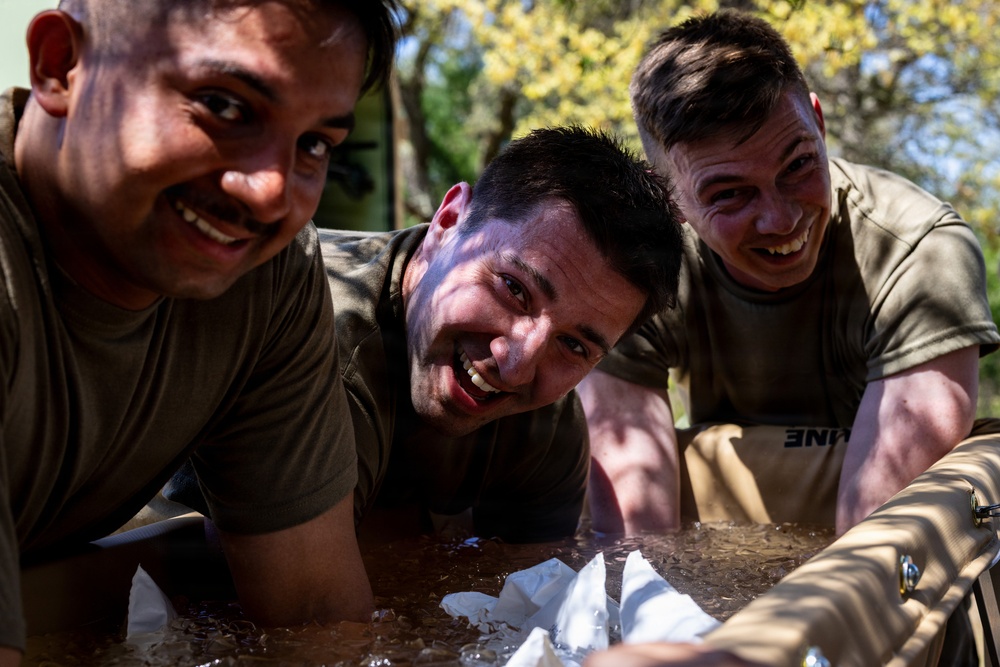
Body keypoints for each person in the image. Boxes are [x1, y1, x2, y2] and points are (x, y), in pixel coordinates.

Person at [0, 0, 397, 663]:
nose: (271, 193)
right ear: (60, 66)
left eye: (315, 144)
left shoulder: (265, 275)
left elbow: (319, 624)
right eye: (227, 106)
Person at [579, 9, 1000, 539]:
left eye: (798, 165)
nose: (781, 219)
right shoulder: (634, 268)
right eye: (729, 193)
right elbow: (635, 544)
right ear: (669, 196)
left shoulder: (919, 250)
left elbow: (876, 543)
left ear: (819, 124)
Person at [167, 125, 685, 544]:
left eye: (574, 345)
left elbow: (536, 614)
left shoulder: (547, 425)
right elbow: (297, 626)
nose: (516, 364)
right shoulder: (311, 339)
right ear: (448, 221)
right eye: (513, 288)